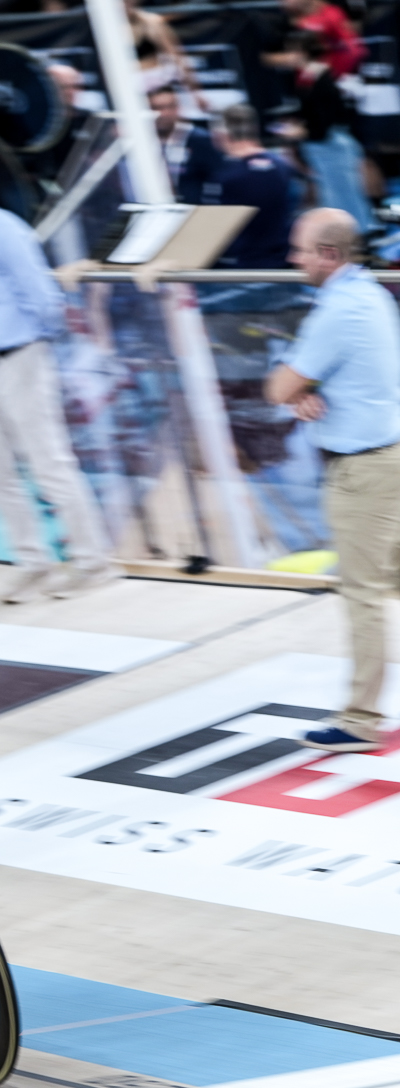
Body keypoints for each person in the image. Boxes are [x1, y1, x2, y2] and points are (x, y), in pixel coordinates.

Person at [0, 149, 116, 603]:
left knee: (48, 464)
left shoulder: (4, 230)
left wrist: (37, 351)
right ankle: (34, 562)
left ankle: (93, 562)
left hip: (19, 359)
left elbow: (44, 297)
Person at [264, 210, 400, 753]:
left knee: (362, 592)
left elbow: (277, 386)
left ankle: (360, 720)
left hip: (364, 473)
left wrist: (295, 389)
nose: (293, 259)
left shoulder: (338, 312)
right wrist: (305, 390)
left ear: (329, 255)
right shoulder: (372, 296)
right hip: (390, 457)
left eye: (300, 250)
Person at [284, 31, 374, 232]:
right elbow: (313, 114)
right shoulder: (309, 77)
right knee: (335, 197)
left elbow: (323, 123)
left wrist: (301, 132)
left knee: (344, 199)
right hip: (325, 147)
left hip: (332, 147)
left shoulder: (321, 79)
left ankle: (359, 240)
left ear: (301, 52)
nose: (287, 57)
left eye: (289, 51)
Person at [206, 104, 294, 270]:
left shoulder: (225, 178)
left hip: (245, 268)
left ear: (220, 135)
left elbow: (214, 230)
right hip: (283, 263)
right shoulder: (282, 166)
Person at [148, 85, 219, 206]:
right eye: (156, 108)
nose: (163, 113)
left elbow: (216, 179)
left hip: (193, 209)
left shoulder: (200, 140)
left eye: (169, 107)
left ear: (178, 108)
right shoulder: (141, 141)